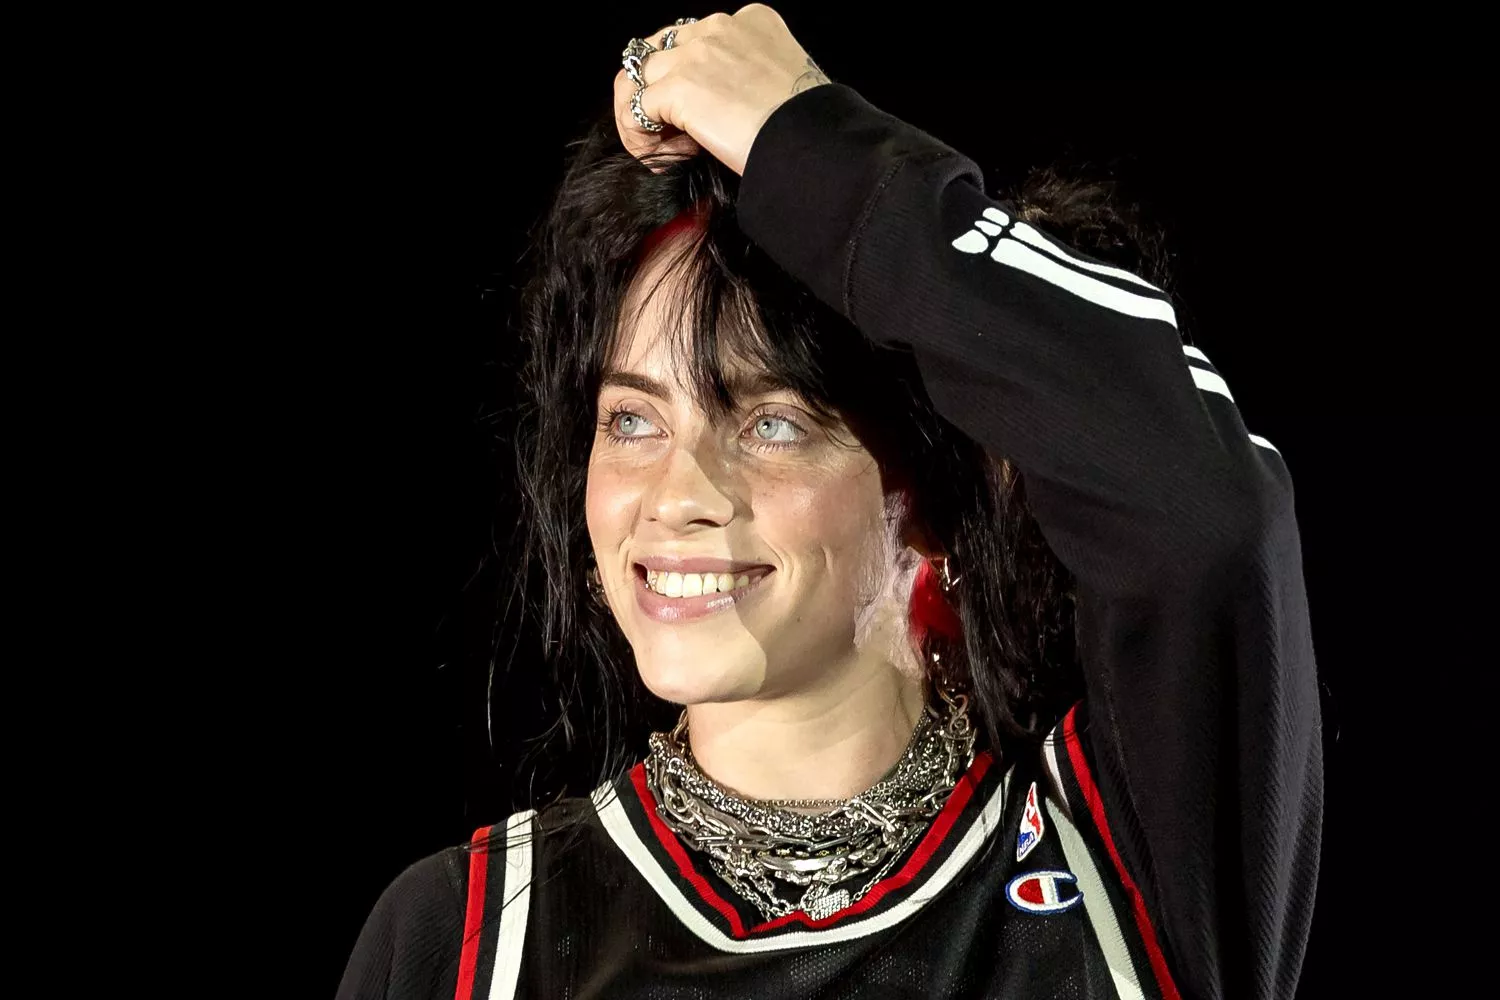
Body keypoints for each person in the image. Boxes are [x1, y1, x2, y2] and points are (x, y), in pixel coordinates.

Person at [336, 7, 1322, 999]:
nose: (677, 497)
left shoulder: (1134, 873)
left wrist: (810, 144)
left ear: (933, 501)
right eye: (633, 420)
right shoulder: (463, 939)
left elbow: (1206, 510)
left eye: (773, 424)